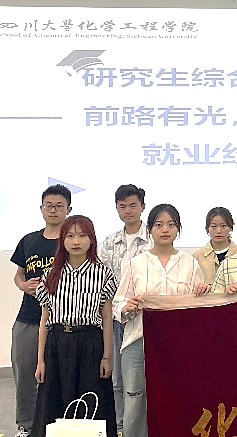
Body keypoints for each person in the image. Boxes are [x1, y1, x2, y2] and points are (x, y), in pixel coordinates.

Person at [113, 204, 209, 437]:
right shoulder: (136, 263)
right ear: (150, 230)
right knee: (135, 397)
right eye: (158, 225)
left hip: (178, 345)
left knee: (176, 395)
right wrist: (127, 307)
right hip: (138, 340)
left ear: (178, 229)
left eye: (171, 224)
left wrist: (203, 292)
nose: (165, 229)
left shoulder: (190, 263)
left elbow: (198, 306)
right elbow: (118, 303)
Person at [32, 215, 117, 437]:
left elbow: (106, 318)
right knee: (54, 403)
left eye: (82, 235)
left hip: (90, 344)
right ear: (62, 240)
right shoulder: (51, 274)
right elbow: (44, 320)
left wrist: (107, 357)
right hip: (58, 344)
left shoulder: (103, 274)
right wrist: (40, 361)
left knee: (91, 402)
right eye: (70, 236)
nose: (76, 241)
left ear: (92, 239)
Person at [11, 184, 72, 437]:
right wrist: (23, 285)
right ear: (41, 209)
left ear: (69, 209)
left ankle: (59, 425)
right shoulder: (29, 240)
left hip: (61, 319)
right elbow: (19, 275)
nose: (53, 210)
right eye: (49, 206)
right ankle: (26, 426)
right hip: (28, 318)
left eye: (59, 206)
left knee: (60, 375)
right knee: (25, 374)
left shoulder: (73, 241)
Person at [99, 184, 151, 435]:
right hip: (116, 317)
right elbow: (104, 280)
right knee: (118, 377)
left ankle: (148, 424)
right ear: (117, 208)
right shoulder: (110, 242)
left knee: (145, 377)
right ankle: (121, 426)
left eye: (133, 205)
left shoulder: (154, 236)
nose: (128, 210)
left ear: (142, 206)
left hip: (145, 319)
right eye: (122, 206)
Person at [193, 207, 237, 287]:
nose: (219, 231)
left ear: (231, 227)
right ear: (207, 228)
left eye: (223, 226)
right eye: (214, 226)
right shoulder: (197, 256)